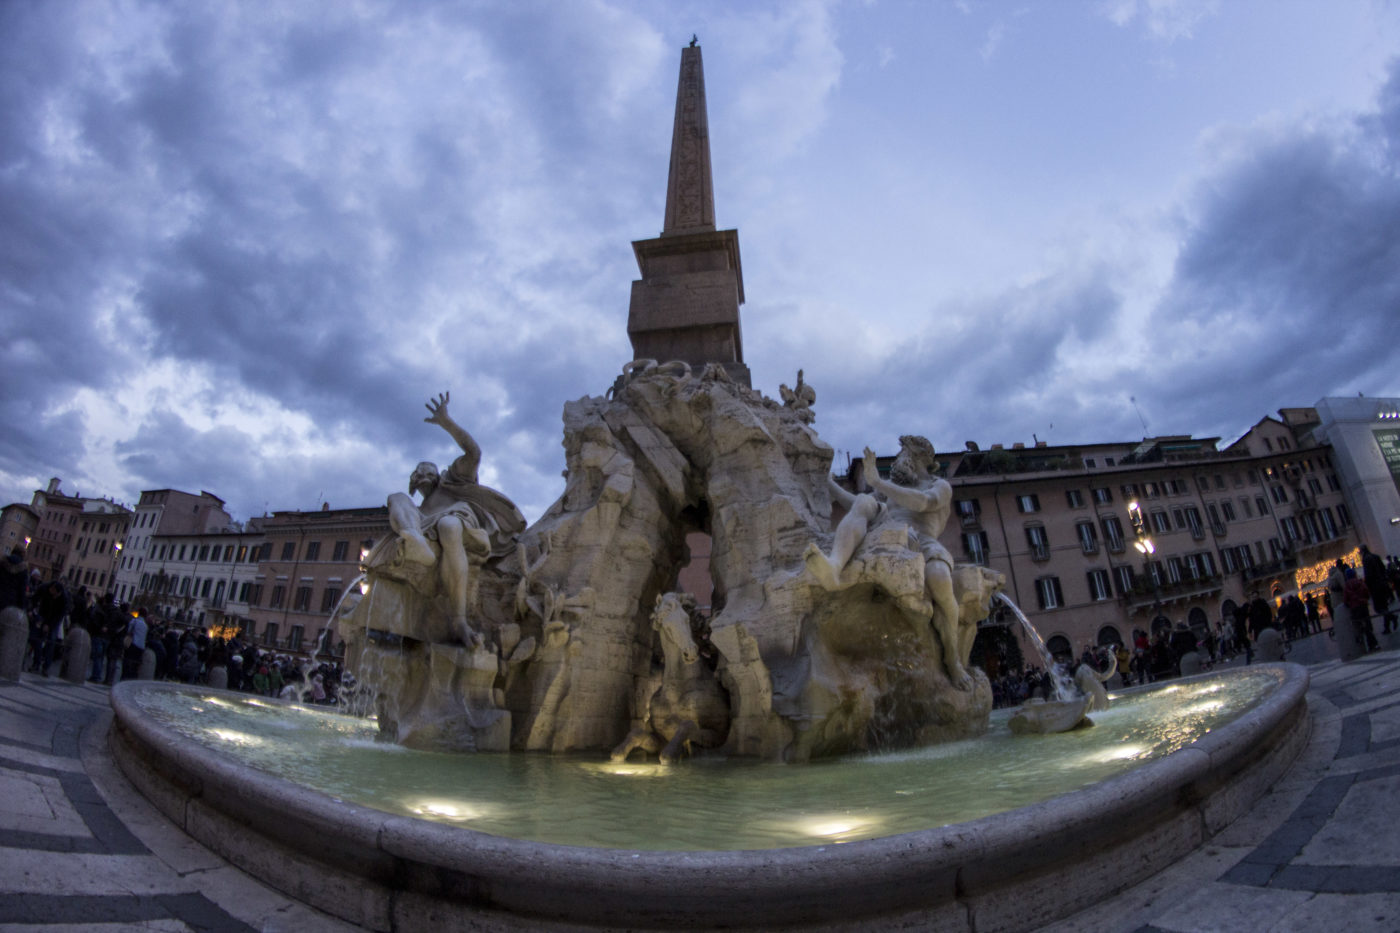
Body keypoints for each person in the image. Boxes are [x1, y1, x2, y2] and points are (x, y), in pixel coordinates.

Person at [805, 436, 970, 689]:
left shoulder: (939, 485)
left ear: (918, 456)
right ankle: (834, 568)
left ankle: (953, 658)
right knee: (864, 500)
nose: (898, 457)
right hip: (888, 528)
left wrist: (878, 482)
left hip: (922, 539)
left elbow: (923, 503)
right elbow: (857, 505)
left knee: (939, 577)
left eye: (903, 452)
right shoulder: (890, 486)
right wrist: (829, 484)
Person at [386, 392, 526, 648]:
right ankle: (414, 539)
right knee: (395, 497)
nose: (426, 473)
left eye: (431, 469)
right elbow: (402, 501)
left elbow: (474, 453)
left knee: (448, 525)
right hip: (421, 526)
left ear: (439, 475)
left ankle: (459, 620)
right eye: (420, 471)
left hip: (461, 528)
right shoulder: (415, 508)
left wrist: (446, 422)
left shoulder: (453, 482)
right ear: (414, 481)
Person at [1361, 545, 1396, 633]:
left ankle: (1392, 617)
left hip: (1375, 586)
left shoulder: (1366, 559)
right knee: (1384, 606)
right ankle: (1387, 627)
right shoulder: (1375, 557)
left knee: (1379, 608)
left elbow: (1368, 575)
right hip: (1382, 583)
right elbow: (1383, 569)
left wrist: (1367, 587)